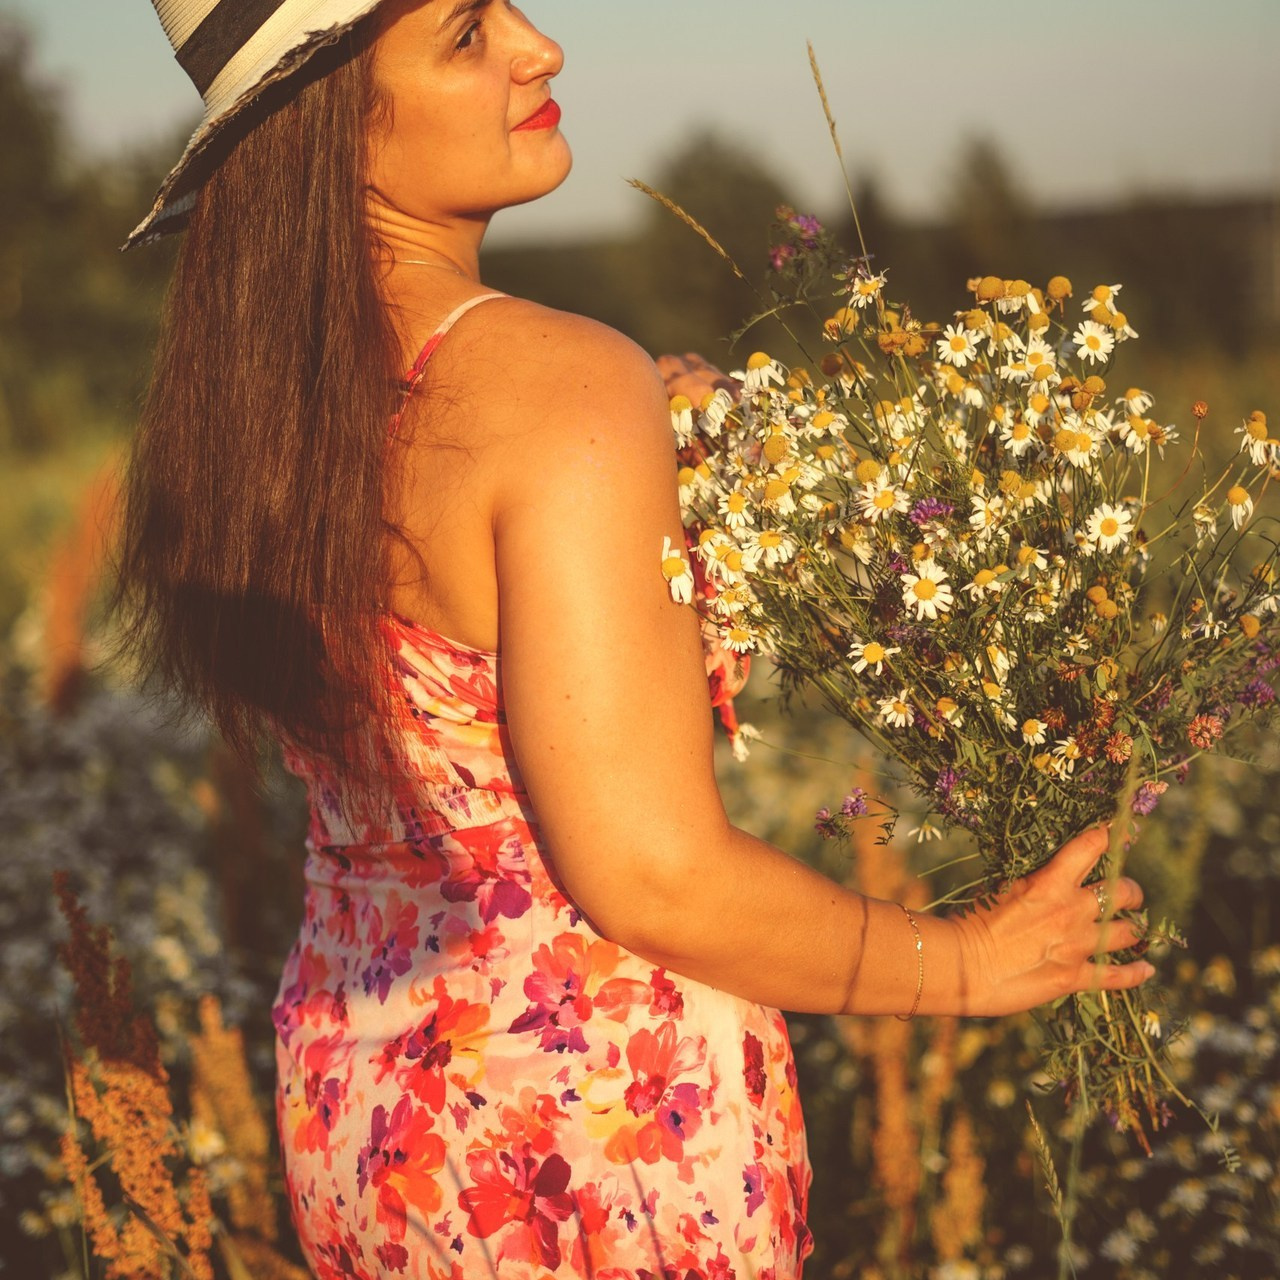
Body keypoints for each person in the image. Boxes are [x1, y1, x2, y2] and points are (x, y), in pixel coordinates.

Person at [119, 2, 1156, 1277]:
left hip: (373, 1108)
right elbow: (652, 875)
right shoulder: (557, 381)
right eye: (461, 33)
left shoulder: (253, 412)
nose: (537, 45)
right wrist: (964, 961)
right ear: (331, 130)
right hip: (598, 1122)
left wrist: (663, 458)